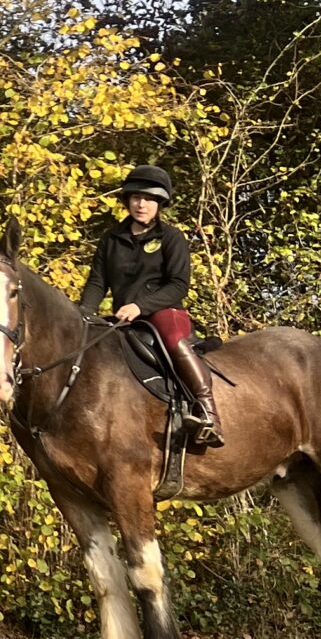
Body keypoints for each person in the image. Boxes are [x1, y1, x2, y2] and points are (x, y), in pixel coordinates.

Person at [76, 164, 219, 446]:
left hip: (164, 312)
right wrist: (84, 314)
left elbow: (178, 284)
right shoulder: (111, 239)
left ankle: (206, 410)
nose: (142, 204)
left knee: (174, 338)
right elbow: (97, 282)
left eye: (150, 199)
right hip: (123, 318)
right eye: (136, 198)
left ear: (160, 204)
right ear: (128, 201)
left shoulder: (171, 238)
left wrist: (140, 306)